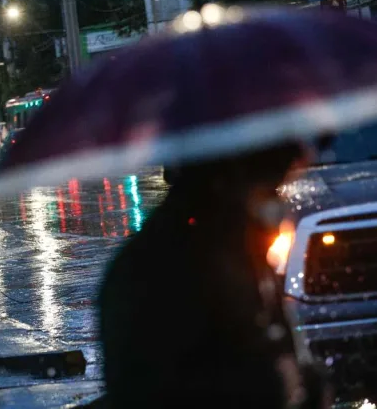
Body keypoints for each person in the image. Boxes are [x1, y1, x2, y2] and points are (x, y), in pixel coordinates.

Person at [99, 143, 332, 408]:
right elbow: (150, 386)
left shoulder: (237, 244)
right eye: (272, 184)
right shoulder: (180, 261)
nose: (279, 200)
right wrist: (276, 381)